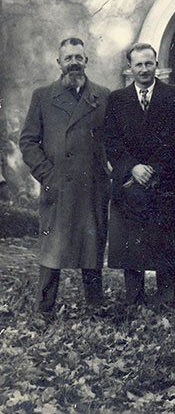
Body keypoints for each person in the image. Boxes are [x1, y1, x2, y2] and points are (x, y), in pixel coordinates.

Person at [19, 37, 110, 320]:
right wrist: (47, 174)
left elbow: (113, 140)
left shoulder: (103, 95)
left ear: (86, 61)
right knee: (52, 249)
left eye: (78, 57)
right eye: (68, 58)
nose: (74, 63)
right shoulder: (43, 96)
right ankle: (44, 310)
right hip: (57, 187)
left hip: (91, 187)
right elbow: (28, 141)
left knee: (92, 246)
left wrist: (107, 173)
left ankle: (95, 307)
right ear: (58, 62)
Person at [103, 43, 175, 309]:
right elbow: (111, 140)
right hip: (130, 183)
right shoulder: (117, 99)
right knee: (132, 243)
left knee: (166, 241)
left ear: (157, 65)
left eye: (148, 63)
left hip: (165, 182)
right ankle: (134, 299)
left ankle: (168, 299)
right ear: (130, 68)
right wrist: (133, 167)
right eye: (138, 64)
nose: (144, 69)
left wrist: (154, 170)